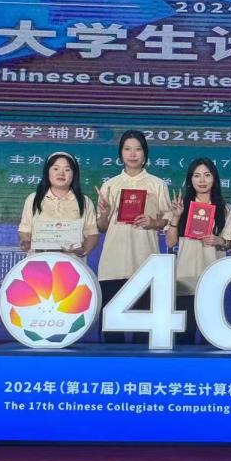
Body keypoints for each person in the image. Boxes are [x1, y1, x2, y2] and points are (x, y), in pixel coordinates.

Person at [96, 130, 171, 343]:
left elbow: (168, 218)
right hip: (113, 264)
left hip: (145, 263)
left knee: (144, 332)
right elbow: (101, 227)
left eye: (138, 149)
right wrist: (104, 213)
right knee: (112, 332)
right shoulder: (110, 185)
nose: (132, 154)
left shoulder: (157, 184)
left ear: (145, 154)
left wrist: (153, 222)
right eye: (127, 149)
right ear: (120, 154)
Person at [165, 158, 231, 345]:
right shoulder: (181, 207)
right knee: (183, 337)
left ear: (214, 179)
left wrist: (220, 241)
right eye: (196, 176)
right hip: (185, 279)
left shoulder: (225, 210)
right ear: (190, 180)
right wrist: (176, 217)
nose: (202, 180)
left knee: (209, 338)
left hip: (212, 279)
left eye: (207, 175)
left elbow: (229, 244)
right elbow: (170, 242)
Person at [17, 151, 99, 258]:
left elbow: (92, 233)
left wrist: (83, 251)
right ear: (47, 172)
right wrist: (25, 241)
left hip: (73, 262)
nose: (61, 173)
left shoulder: (85, 201)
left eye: (67, 169)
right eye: (56, 169)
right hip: (39, 261)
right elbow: (25, 230)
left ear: (74, 174)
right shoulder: (33, 199)